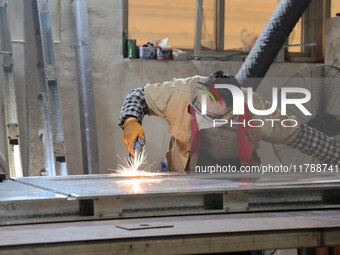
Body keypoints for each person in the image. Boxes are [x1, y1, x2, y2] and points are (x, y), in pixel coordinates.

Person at [119, 71, 340, 172]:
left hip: (237, 184)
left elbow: (300, 135)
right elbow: (138, 96)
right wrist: (131, 121)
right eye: (201, 111)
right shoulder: (179, 93)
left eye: (213, 118)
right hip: (186, 181)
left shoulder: (256, 109)